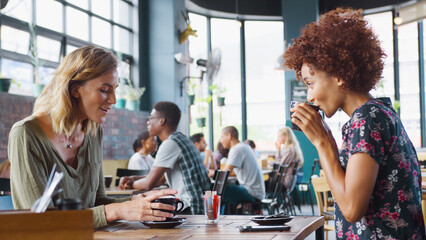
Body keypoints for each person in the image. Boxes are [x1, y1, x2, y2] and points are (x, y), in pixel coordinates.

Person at [284, 8, 425, 238]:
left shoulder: (366, 120)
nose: (309, 97)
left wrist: (322, 143)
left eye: (310, 83)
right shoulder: (379, 112)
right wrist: (327, 139)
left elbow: (352, 209)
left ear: (339, 75)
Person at [7, 46, 177, 228]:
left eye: (114, 90)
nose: (113, 99)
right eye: (105, 89)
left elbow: (97, 202)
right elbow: (39, 221)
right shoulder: (26, 133)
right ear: (75, 89)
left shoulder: (94, 131)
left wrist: (135, 202)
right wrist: (119, 210)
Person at [119, 101, 211, 214]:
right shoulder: (182, 139)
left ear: (161, 120)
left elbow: (149, 184)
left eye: (151, 118)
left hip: (190, 208)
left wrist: (129, 185)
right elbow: (161, 179)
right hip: (200, 205)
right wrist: (133, 178)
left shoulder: (170, 144)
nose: (148, 122)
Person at [220, 126, 265, 205]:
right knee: (224, 189)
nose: (220, 140)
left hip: (251, 192)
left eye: (222, 137)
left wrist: (211, 174)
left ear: (229, 136)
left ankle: (216, 216)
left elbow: (224, 174)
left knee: (219, 191)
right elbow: (233, 172)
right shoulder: (244, 146)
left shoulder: (236, 149)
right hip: (257, 191)